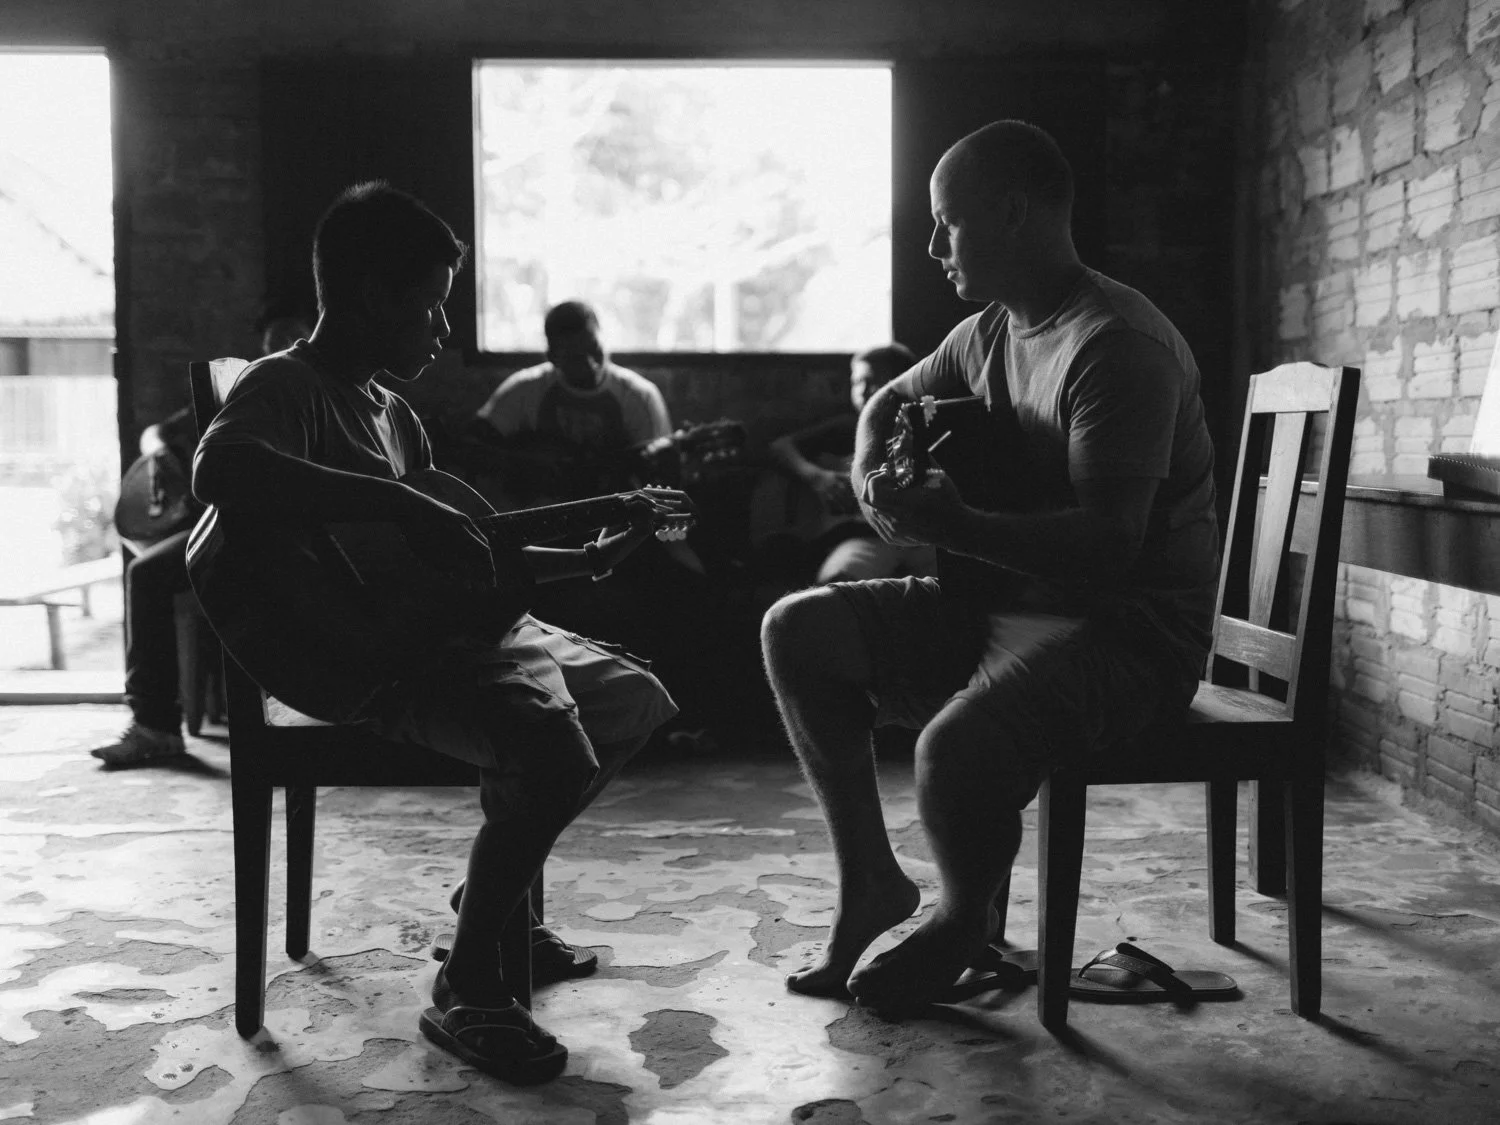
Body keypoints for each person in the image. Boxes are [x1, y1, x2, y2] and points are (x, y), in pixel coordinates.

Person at [189, 182, 685, 1083]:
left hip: (437, 631)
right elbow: (220, 467)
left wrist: (592, 560)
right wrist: (392, 497)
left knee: (637, 699)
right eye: (430, 303)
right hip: (366, 656)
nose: (442, 328)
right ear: (375, 294)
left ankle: (495, 908)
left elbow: (458, 558)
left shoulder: (393, 410)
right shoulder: (286, 385)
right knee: (556, 754)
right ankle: (470, 979)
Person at [759, 120, 1219, 1013]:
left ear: (1012, 215)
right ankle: (873, 888)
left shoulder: (1114, 345)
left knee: (951, 752)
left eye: (948, 223)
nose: (934, 247)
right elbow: (893, 395)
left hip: (1129, 637)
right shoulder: (991, 331)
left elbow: (1110, 547)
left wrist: (958, 524)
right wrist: (868, 471)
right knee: (797, 629)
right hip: (1007, 605)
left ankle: (963, 916)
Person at [91, 303, 312, 767]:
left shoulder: (304, 388)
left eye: (292, 335)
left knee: (153, 573)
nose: (281, 347)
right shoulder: (248, 386)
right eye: (273, 340)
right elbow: (156, 432)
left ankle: (166, 720)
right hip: (222, 517)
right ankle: (156, 725)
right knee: (147, 570)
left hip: (272, 530)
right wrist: (161, 459)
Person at [767, 343, 937, 584]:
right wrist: (818, 477)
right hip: (862, 539)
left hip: (921, 539)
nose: (863, 391)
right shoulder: (848, 428)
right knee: (835, 585)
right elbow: (780, 447)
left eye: (874, 381)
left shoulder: (924, 429)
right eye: (857, 382)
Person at [473, 300, 671, 500]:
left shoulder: (640, 397)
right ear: (552, 356)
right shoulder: (524, 389)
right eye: (574, 356)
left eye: (593, 348)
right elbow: (473, 444)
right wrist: (525, 466)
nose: (589, 363)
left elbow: (660, 478)